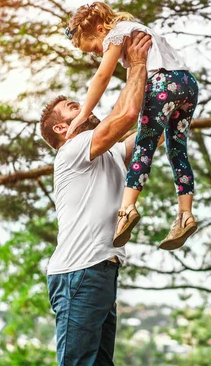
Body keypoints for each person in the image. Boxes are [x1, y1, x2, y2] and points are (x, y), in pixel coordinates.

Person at [40, 32, 152, 366]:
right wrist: (137, 63)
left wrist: (169, 98)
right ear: (63, 129)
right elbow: (127, 114)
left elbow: (147, 134)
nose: (86, 107)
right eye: (75, 108)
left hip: (100, 270)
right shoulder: (73, 149)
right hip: (79, 273)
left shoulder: (109, 152)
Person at [63, 2, 199, 251]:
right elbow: (132, 91)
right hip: (187, 83)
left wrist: (83, 113)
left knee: (143, 146)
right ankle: (185, 215)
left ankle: (126, 209)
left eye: (93, 48)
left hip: (162, 84)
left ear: (101, 29)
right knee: (177, 149)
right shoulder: (135, 31)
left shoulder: (116, 34)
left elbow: (102, 77)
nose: (97, 53)